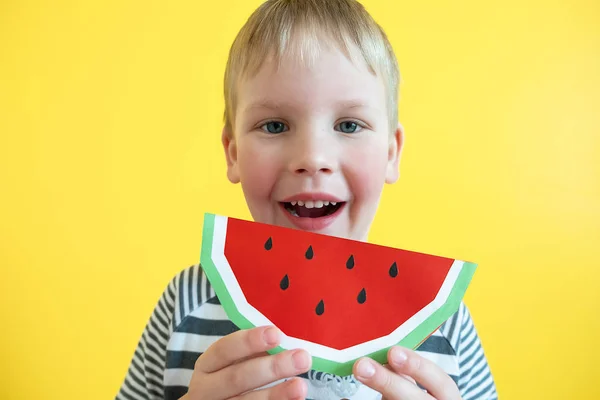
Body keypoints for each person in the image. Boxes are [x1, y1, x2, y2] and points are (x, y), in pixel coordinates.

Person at [115, 1, 497, 399]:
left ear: (391, 152)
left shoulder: (443, 322)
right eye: (275, 125)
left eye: (349, 125)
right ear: (232, 153)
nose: (312, 158)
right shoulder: (186, 303)